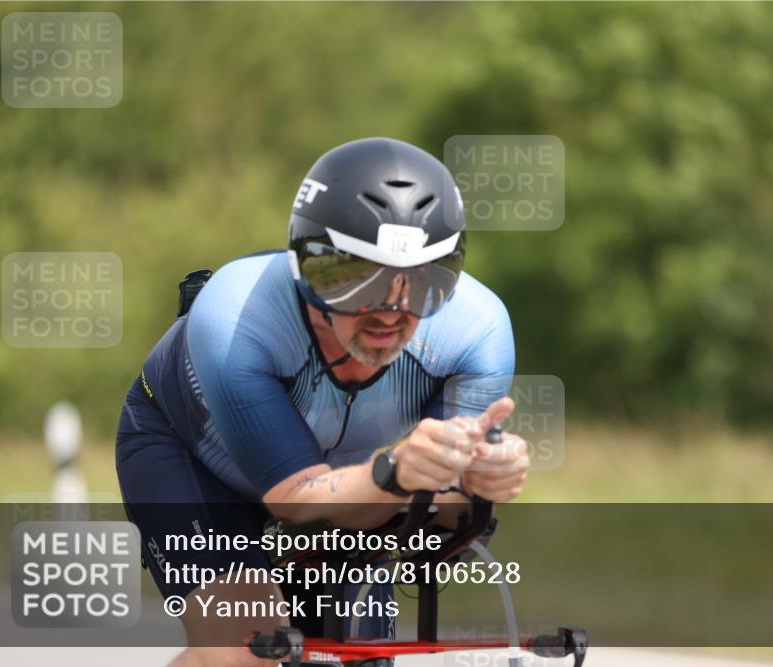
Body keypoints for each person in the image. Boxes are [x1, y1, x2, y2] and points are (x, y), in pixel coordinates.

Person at [116, 137, 529, 667]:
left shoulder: (476, 332)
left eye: (422, 283)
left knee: (354, 656)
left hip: (356, 481)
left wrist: (474, 484)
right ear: (307, 268)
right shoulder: (238, 316)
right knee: (249, 654)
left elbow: (438, 515)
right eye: (358, 280)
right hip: (193, 457)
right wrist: (397, 471)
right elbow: (297, 501)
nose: (389, 312)